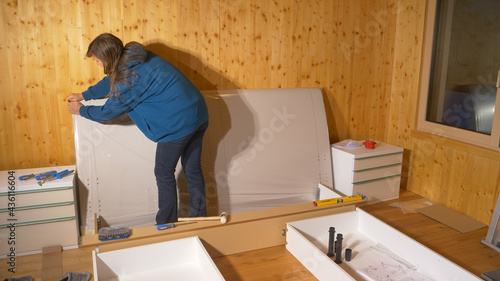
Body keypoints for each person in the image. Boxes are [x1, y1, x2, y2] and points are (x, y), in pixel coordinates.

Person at [67, 33, 209, 225]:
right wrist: (84, 94)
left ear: (108, 57)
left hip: (178, 123)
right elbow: (112, 80)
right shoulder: (136, 56)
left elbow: (110, 111)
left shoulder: (128, 80)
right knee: (192, 169)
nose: (96, 63)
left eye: (97, 59)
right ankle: (201, 220)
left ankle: (166, 223)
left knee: (163, 172)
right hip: (198, 113)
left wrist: (82, 110)